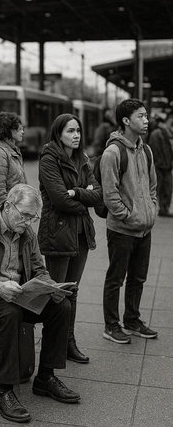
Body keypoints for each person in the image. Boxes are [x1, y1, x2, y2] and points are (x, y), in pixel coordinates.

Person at [0, 184, 80, 424]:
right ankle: (2, 390)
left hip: (16, 295)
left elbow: (39, 270)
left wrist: (52, 288)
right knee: (8, 312)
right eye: (25, 216)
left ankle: (46, 378)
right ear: (8, 207)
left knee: (61, 307)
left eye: (33, 218)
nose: (29, 223)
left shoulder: (26, 234)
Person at [38, 113, 102, 364]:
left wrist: (76, 192)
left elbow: (98, 194)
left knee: (72, 292)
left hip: (81, 235)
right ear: (58, 134)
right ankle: (52, 346)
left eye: (77, 131)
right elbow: (58, 200)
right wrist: (81, 199)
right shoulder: (48, 159)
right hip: (58, 233)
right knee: (56, 294)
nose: (75, 136)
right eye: (70, 131)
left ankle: (68, 342)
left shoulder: (83, 158)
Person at [100, 98, 158, 344]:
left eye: (146, 116)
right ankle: (111, 325)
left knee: (138, 278)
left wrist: (151, 210)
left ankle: (132, 320)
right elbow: (110, 193)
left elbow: (153, 186)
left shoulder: (146, 149)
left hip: (144, 228)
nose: (146, 120)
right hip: (122, 229)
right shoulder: (113, 152)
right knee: (116, 278)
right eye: (141, 116)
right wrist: (128, 215)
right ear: (126, 121)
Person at [0, 111, 27, 206]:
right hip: (10, 211)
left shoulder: (13, 150)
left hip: (17, 207)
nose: (23, 132)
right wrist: (7, 211)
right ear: (10, 130)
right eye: (20, 129)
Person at [148, 117, 173, 216]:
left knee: (165, 187)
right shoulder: (158, 133)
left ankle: (163, 208)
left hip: (164, 165)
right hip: (162, 166)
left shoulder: (163, 133)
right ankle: (162, 208)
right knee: (163, 187)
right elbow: (156, 150)